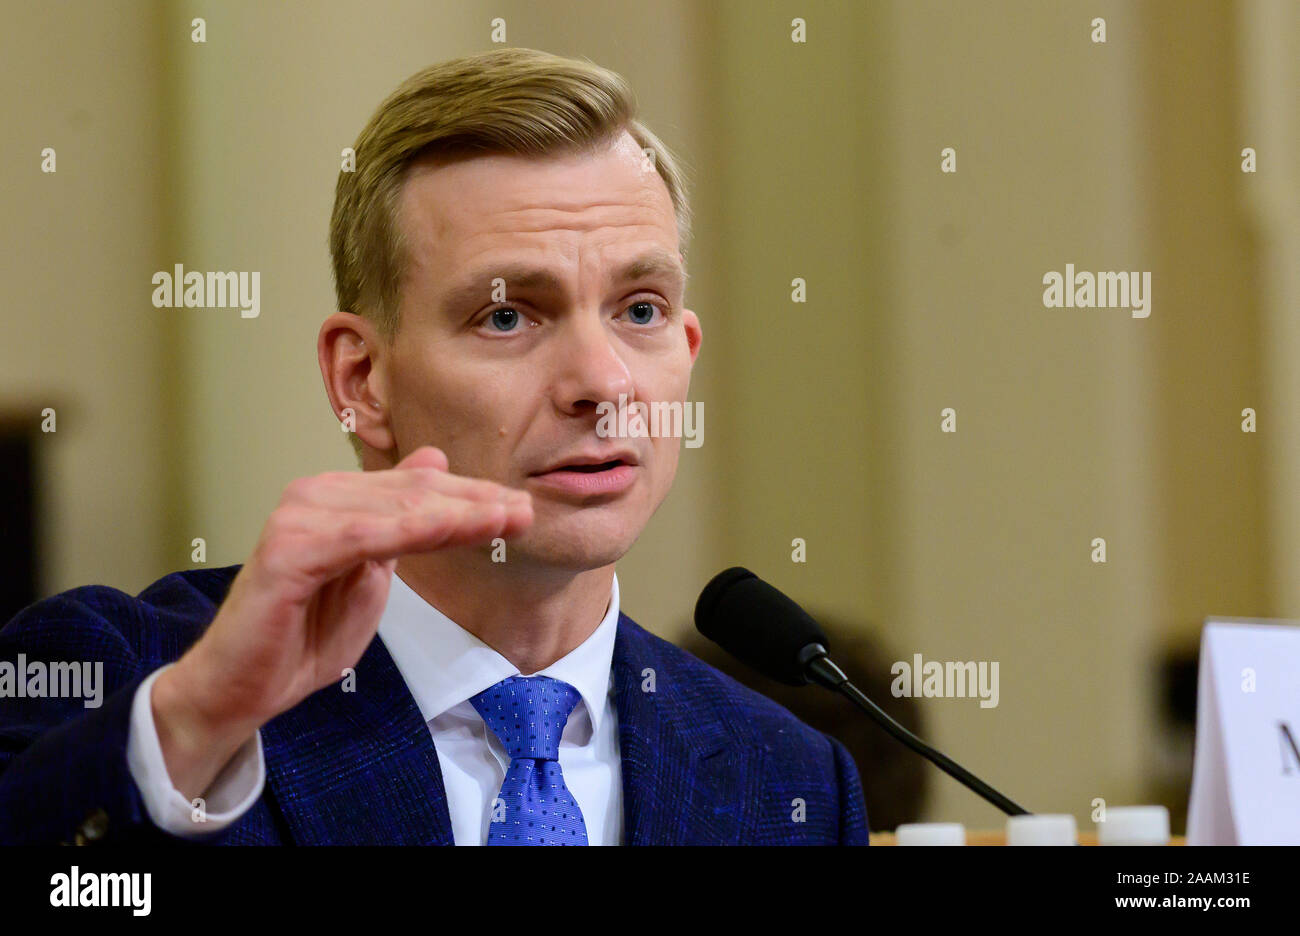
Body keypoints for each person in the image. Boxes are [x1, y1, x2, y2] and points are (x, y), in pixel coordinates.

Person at [0, 48, 867, 845]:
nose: (602, 384)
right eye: (506, 316)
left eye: (639, 309)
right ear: (361, 381)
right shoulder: (127, 677)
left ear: (686, 349)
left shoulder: (787, 777)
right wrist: (196, 722)